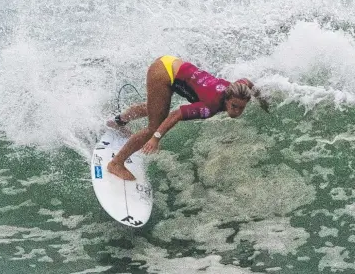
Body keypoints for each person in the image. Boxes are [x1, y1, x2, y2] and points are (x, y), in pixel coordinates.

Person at [107, 55, 269, 181]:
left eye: (241, 107)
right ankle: (116, 163)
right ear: (226, 99)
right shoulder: (210, 107)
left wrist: (262, 100)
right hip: (163, 73)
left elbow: (247, 82)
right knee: (154, 126)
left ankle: (118, 121)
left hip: (172, 64)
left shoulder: (237, 89)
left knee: (156, 108)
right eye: (234, 106)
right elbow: (176, 115)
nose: (237, 112)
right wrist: (156, 138)